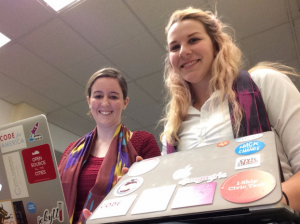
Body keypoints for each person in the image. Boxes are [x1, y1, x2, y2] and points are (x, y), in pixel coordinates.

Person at [161, 7, 300, 212]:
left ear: (216, 44)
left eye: (193, 40)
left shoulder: (263, 83)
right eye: (174, 47)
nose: (183, 51)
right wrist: (141, 185)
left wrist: (270, 204)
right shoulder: (172, 130)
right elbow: (168, 199)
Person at [58, 68, 161, 224]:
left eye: (113, 96)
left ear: (125, 102)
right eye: (98, 96)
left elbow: (159, 197)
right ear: (89, 101)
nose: (105, 103)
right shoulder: (71, 150)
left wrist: (141, 185)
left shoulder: (142, 141)